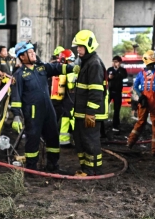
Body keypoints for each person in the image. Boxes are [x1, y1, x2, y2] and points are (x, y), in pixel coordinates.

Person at [9, 42, 68, 173]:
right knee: (33, 139)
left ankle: (53, 165)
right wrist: (17, 115)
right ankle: (32, 169)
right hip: (33, 112)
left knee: (53, 137)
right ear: (22, 57)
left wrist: (73, 68)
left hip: (48, 110)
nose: (33, 54)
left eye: (33, 52)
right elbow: (16, 97)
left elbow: (56, 68)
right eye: (30, 53)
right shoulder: (19, 75)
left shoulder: (41, 68)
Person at [69, 30, 107, 176]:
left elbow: (96, 93)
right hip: (80, 113)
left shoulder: (94, 64)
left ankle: (93, 170)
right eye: (77, 46)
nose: (78, 49)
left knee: (90, 142)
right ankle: (85, 168)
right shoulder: (86, 63)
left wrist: (90, 113)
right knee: (80, 141)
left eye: (81, 46)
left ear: (89, 46)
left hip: (89, 114)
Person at [127, 50, 155, 155]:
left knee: (140, 122)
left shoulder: (141, 74)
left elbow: (135, 87)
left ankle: (130, 143)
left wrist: (141, 96)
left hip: (144, 100)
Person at [105, 55, 128, 136]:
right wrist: (109, 77)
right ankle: (103, 124)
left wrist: (118, 69)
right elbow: (105, 78)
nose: (114, 63)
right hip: (110, 92)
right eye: (113, 61)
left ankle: (115, 125)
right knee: (105, 107)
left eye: (116, 62)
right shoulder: (109, 69)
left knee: (117, 109)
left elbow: (124, 76)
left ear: (119, 62)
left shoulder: (122, 70)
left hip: (118, 92)